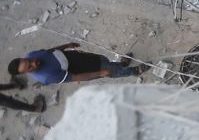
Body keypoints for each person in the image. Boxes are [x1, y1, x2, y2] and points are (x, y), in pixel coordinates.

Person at [8, 44, 138, 85]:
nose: (33, 62)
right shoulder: (46, 77)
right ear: (26, 73)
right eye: (30, 67)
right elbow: (76, 78)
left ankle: (122, 64)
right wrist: (99, 73)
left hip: (82, 57)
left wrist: (67, 45)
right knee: (110, 71)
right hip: (87, 70)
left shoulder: (31, 54)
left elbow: (51, 51)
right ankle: (134, 71)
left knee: (105, 61)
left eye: (28, 61)